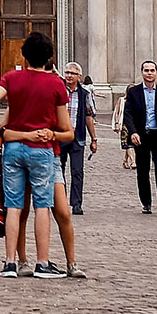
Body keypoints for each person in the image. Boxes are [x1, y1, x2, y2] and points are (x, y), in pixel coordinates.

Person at [0, 31, 72, 279]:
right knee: (42, 206)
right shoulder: (56, 84)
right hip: (40, 149)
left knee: (13, 206)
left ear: (24, 55)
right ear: (49, 58)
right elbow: (66, 128)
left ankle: (10, 262)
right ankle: (42, 263)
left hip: (13, 148)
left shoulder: (12, 77)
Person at [121, 61, 157, 214]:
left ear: (156, 73)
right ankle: (146, 203)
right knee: (143, 171)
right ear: (142, 72)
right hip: (141, 136)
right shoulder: (134, 92)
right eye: (146, 70)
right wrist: (133, 132)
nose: (149, 73)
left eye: (152, 70)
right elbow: (128, 114)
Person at [59, 62, 97, 215]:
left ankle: (76, 203)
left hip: (77, 137)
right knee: (58, 171)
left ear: (79, 77)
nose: (69, 75)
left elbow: (88, 116)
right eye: (67, 72)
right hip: (60, 136)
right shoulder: (58, 91)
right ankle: (60, 201)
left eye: (72, 73)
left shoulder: (84, 94)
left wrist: (94, 139)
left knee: (77, 171)